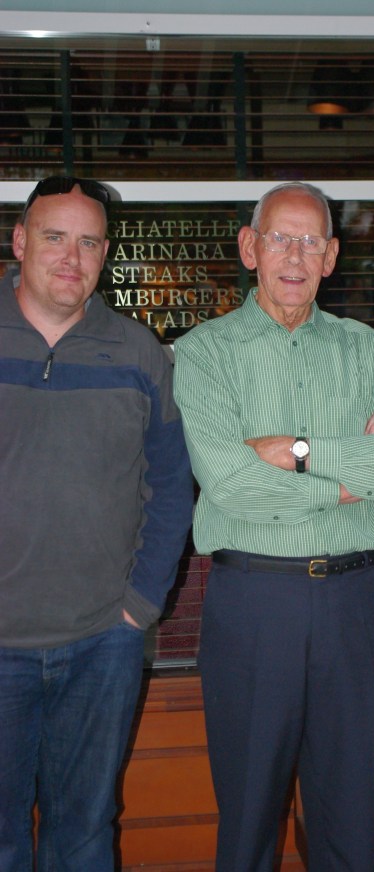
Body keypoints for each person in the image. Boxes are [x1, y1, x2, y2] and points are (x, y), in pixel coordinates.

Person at [173, 181, 374, 872]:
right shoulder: (205, 352)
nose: (294, 255)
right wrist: (348, 483)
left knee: (349, 815)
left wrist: (299, 451)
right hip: (256, 602)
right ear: (249, 248)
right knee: (250, 817)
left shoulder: (363, 348)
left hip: (357, 603)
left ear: (331, 256)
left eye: (311, 241)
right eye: (280, 238)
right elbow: (230, 483)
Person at [0, 175, 193, 872]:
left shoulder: (138, 353)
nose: (70, 257)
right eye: (54, 237)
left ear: (105, 254)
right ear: (20, 241)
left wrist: (139, 607)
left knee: (84, 833)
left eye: (88, 243)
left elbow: (170, 486)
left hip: (102, 644)